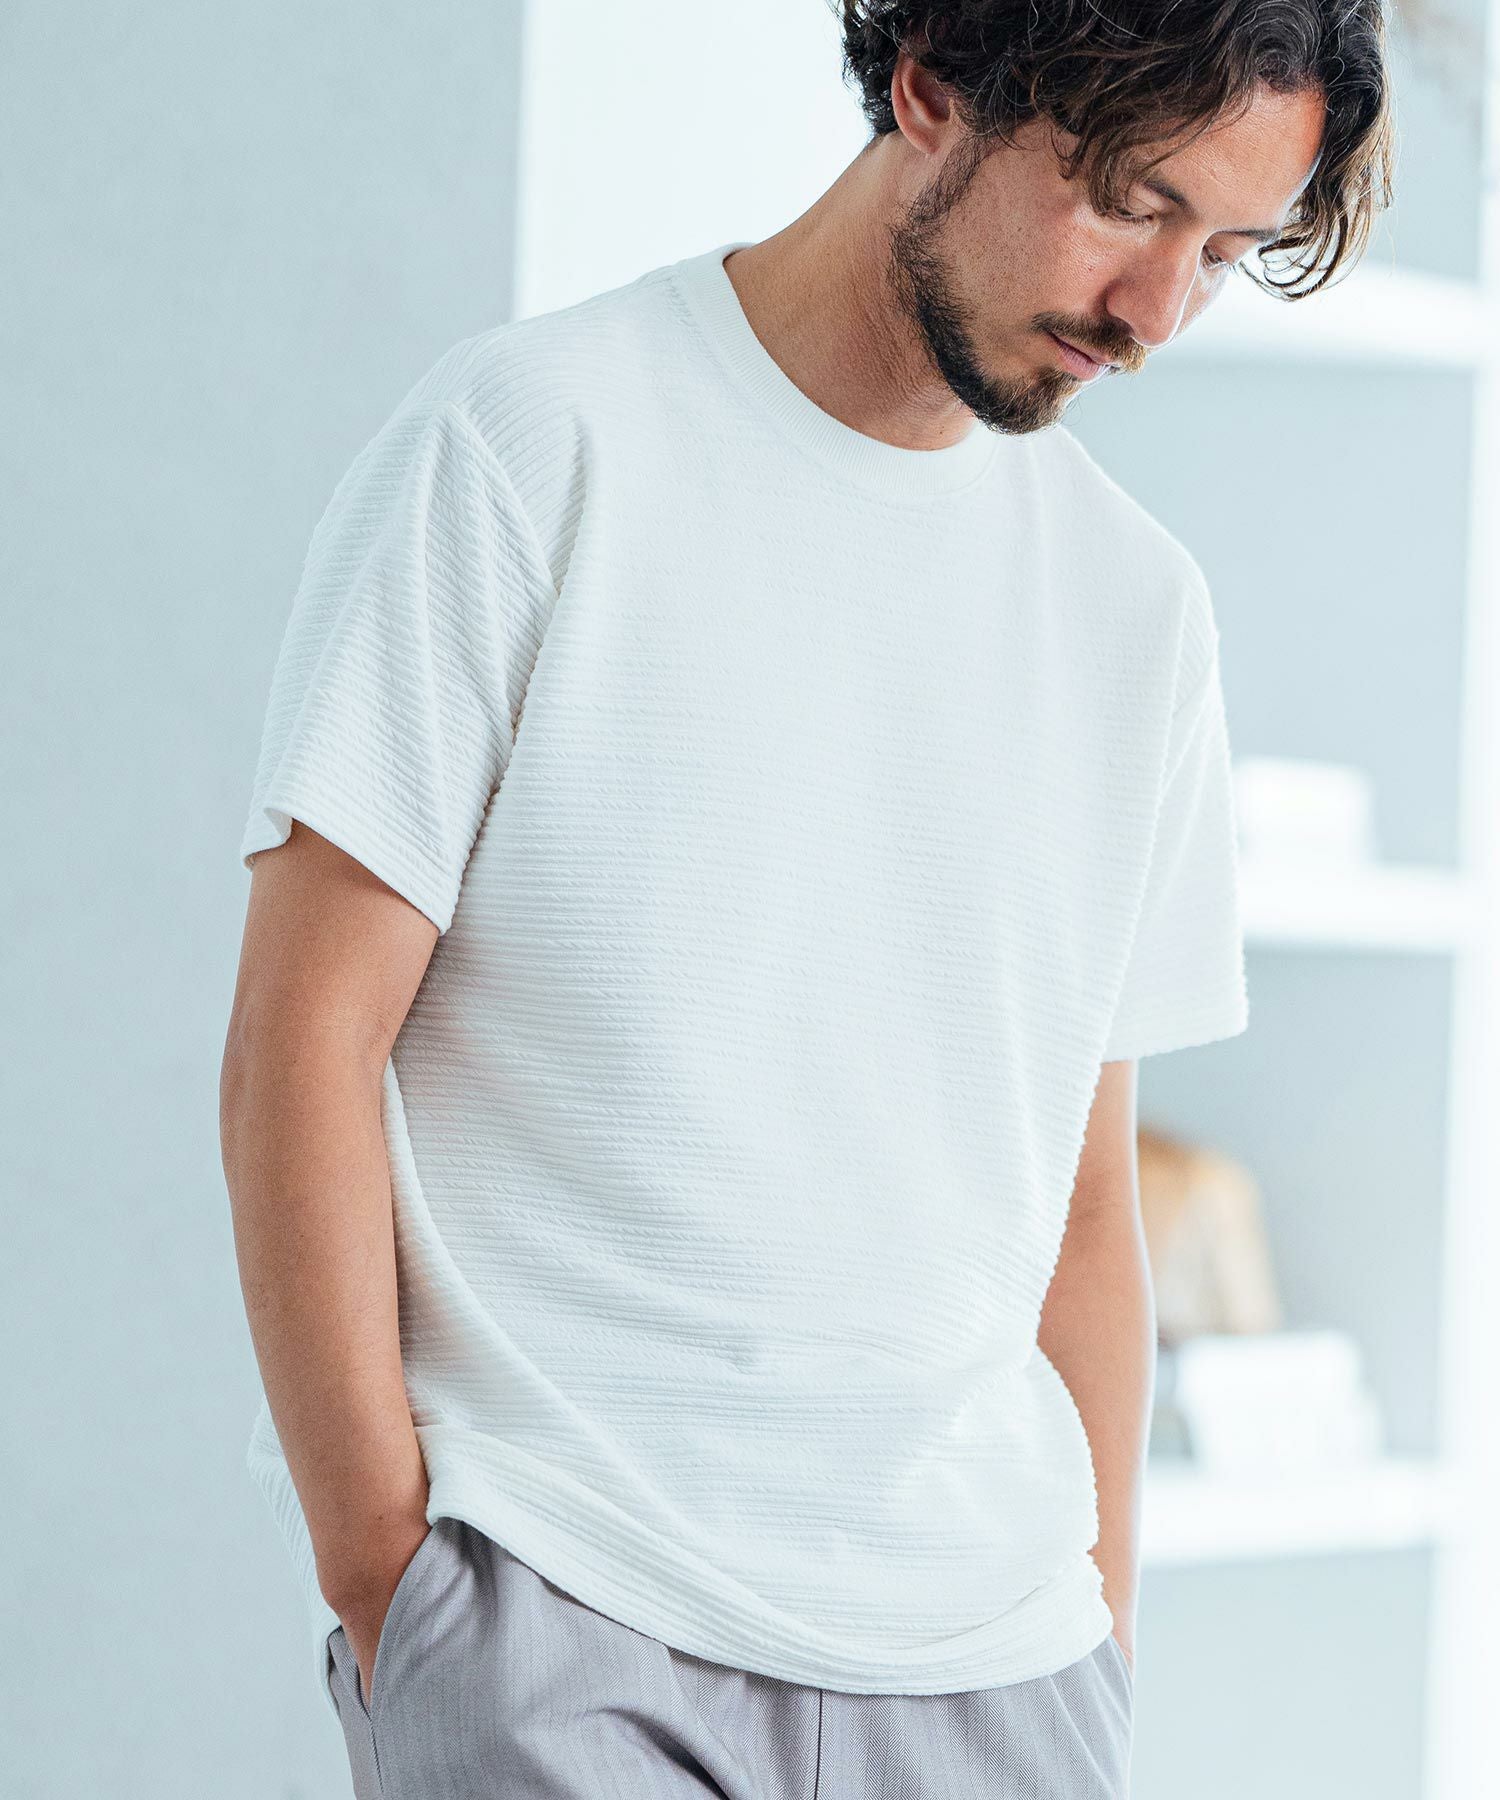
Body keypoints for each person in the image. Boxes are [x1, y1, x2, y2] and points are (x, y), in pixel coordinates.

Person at [220, 3, 1392, 1793]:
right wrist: (391, 1581)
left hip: (1002, 1675)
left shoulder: (1137, 612)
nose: (1156, 314)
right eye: (1131, 204)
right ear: (931, 84)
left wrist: (1099, 1643)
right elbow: (303, 1044)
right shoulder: (532, 444)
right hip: (569, 1621)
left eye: (1223, 255)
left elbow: (1084, 1206)